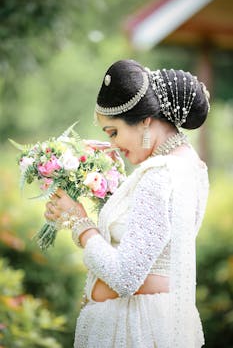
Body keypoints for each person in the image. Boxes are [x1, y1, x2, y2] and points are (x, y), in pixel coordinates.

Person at [44, 59, 210, 348]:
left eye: (113, 132)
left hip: (135, 330)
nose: (113, 144)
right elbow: (152, 248)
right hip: (152, 324)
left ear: (145, 120)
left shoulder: (160, 175)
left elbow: (125, 277)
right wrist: (114, 190)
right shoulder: (187, 166)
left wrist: (79, 222)